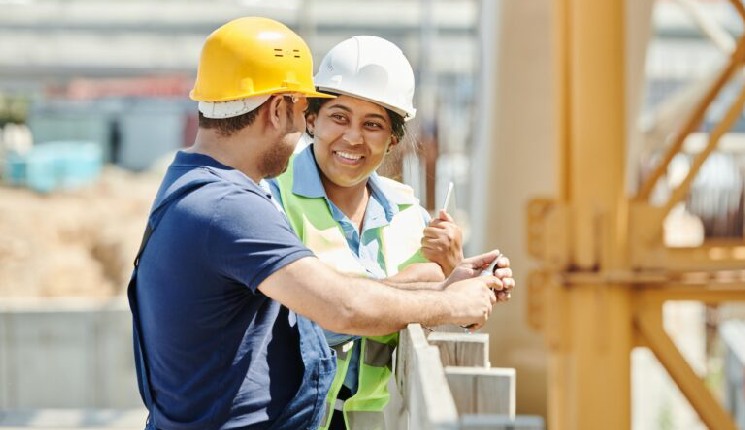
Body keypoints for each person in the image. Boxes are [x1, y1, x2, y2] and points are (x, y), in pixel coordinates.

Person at [127, 17, 511, 430]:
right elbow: (339, 307)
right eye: (302, 111)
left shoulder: (199, 188)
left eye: (372, 124)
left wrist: (439, 284)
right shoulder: (230, 206)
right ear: (278, 110)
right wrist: (451, 303)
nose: (301, 130)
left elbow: (320, 301)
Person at [267, 36, 512, 430]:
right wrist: (419, 287)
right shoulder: (273, 199)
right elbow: (309, 317)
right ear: (311, 119)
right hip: (288, 416)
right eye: (339, 117)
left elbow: (427, 317)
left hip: (366, 420)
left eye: (373, 124)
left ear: (393, 138)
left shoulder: (408, 214)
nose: (353, 137)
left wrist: (457, 275)